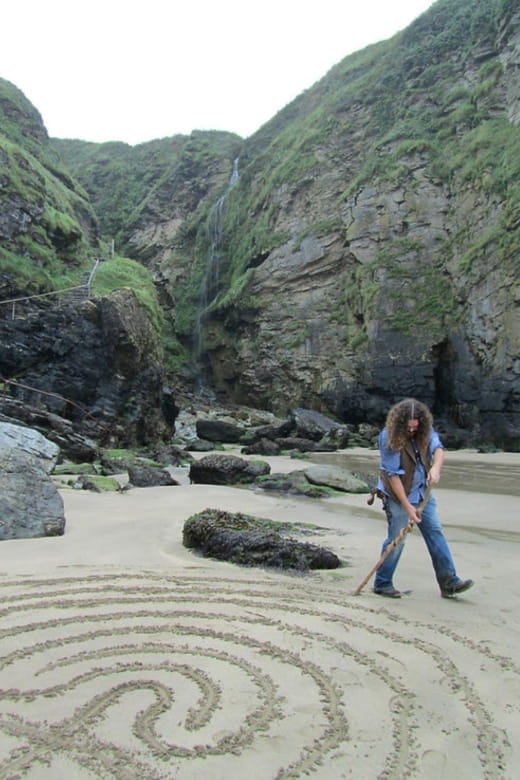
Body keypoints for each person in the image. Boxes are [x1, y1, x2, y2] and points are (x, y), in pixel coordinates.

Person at [373, 398, 473, 599]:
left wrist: (435, 468)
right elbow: (392, 475)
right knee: (396, 540)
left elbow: (439, 449)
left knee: (435, 532)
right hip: (398, 495)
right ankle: (382, 583)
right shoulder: (388, 437)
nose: (412, 431)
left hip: (422, 492)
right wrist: (408, 507)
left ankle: (449, 582)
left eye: (415, 427)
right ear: (400, 424)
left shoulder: (425, 431)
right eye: (408, 428)